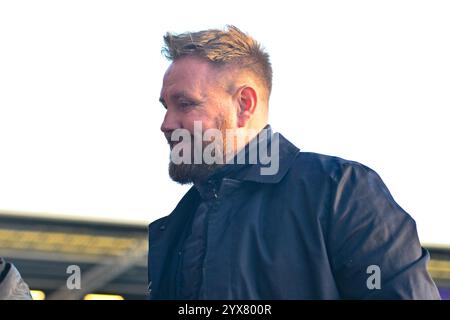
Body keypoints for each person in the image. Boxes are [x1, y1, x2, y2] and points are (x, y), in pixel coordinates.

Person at [148, 25, 440, 299]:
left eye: (185, 104)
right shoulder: (177, 225)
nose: (166, 124)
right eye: (165, 107)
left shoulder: (341, 191)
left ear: (243, 105)